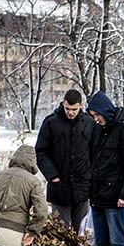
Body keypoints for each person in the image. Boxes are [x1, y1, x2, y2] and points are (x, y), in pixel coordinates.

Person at [86, 91, 124, 246]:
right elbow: (93, 162)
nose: (95, 119)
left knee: (118, 243)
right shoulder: (98, 129)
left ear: (105, 111)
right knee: (102, 243)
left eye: (97, 114)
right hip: (98, 196)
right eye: (93, 115)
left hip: (116, 197)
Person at [34, 89, 93, 233]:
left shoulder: (89, 123)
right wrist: (53, 176)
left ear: (81, 105)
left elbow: (96, 153)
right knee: (60, 232)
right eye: (67, 108)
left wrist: (90, 176)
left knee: (82, 232)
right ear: (63, 104)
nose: (70, 112)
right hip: (59, 186)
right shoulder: (51, 122)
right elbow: (41, 152)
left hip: (83, 187)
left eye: (74, 109)